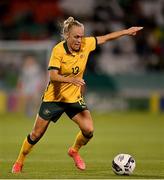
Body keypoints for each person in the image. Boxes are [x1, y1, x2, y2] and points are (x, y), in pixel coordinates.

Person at [12, 17, 143, 173]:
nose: (80, 40)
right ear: (67, 35)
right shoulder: (58, 50)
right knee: (36, 133)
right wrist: (72, 80)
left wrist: (126, 32)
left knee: (89, 130)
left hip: (73, 98)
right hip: (54, 98)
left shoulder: (86, 44)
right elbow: (53, 76)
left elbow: (106, 38)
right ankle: (19, 162)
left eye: (82, 36)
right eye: (76, 37)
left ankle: (74, 150)